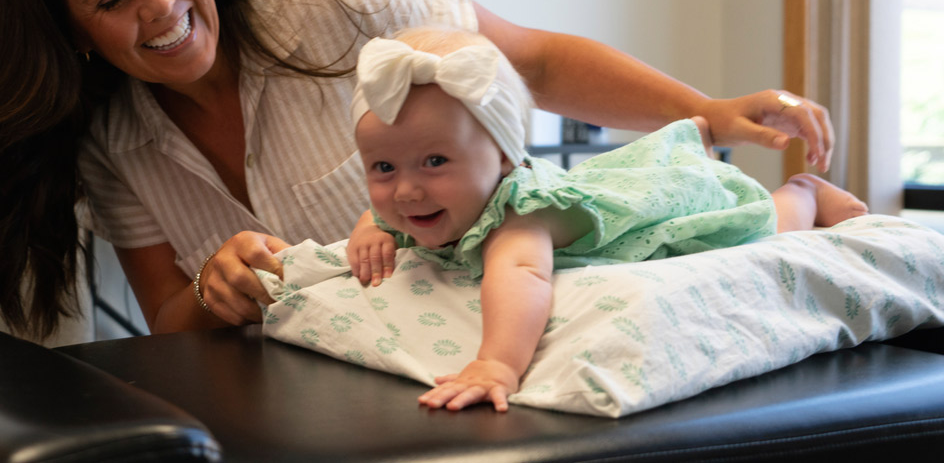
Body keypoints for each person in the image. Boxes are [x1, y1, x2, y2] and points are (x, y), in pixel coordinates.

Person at [0, 0, 836, 340]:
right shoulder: (110, 141)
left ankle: (803, 202)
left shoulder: (335, 2)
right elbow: (170, 321)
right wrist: (214, 289)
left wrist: (709, 113)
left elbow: (539, 66)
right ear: (69, 31)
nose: (164, 7)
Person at [345, 27, 867, 412]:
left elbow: (521, 275)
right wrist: (370, 227)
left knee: (760, 226)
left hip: (662, 206)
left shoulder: (520, 218)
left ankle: (805, 191)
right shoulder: (421, 198)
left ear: (505, 159)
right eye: (383, 167)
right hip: (611, 182)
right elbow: (387, 208)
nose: (407, 190)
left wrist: (496, 363)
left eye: (436, 162)